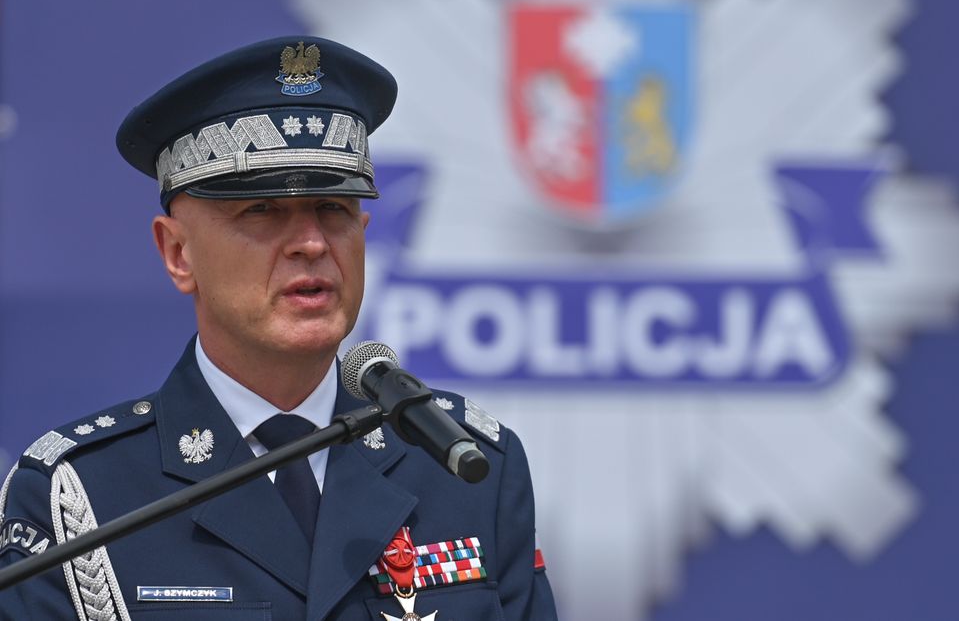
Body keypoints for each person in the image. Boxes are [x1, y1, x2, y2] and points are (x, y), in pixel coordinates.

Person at [0, 36, 557, 620]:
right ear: (178, 253)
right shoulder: (80, 497)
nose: (312, 243)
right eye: (262, 210)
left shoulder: (466, 465)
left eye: (333, 209)